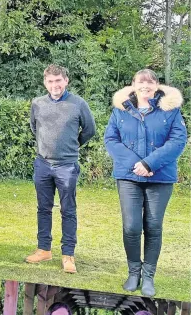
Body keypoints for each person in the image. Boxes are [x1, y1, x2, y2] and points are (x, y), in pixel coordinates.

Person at [104, 69, 186, 297]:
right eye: (140, 82)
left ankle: (148, 276)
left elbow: (178, 140)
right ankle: (133, 272)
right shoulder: (120, 110)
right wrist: (136, 164)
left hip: (159, 178)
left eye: (150, 82)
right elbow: (111, 139)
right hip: (128, 176)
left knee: (153, 226)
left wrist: (150, 163)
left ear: (156, 85)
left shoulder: (170, 111)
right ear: (133, 85)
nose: (145, 85)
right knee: (131, 227)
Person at [26, 64, 96, 274]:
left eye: (58, 81)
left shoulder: (78, 104)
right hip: (43, 164)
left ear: (66, 80)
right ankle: (44, 249)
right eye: (50, 81)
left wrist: (72, 146)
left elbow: (90, 130)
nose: (54, 85)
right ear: (45, 82)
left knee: (68, 210)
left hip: (67, 166)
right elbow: (34, 128)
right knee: (43, 208)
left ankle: (68, 254)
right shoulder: (37, 103)